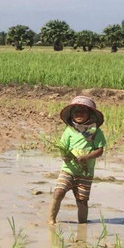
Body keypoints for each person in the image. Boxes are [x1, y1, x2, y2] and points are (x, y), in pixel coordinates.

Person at [49, 96, 106, 224]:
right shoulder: (69, 131)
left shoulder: (95, 132)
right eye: (76, 111)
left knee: (82, 200)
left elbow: (100, 150)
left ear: (90, 114)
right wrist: (66, 156)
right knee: (58, 192)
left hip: (85, 173)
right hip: (68, 170)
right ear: (72, 114)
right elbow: (63, 148)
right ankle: (51, 220)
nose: (79, 114)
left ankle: (82, 225)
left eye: (83, 111)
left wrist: (86, 157)